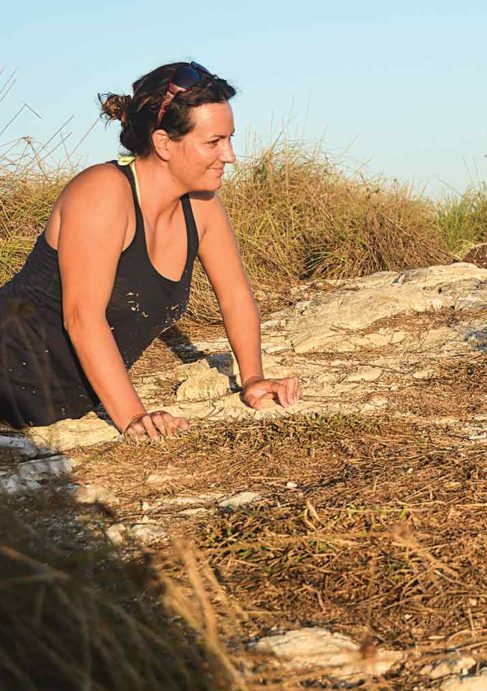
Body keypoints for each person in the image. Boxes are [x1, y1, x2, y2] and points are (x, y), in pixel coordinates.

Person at [0, 61, 300, 440]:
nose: (230, 156)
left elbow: (236, 296)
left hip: (54, 410)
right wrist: (133, 417)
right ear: (163, 143)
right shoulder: (103, 193)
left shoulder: (202, 205)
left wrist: (253, 377)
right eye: (214, 142)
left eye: (229, 139)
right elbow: (82, 317)